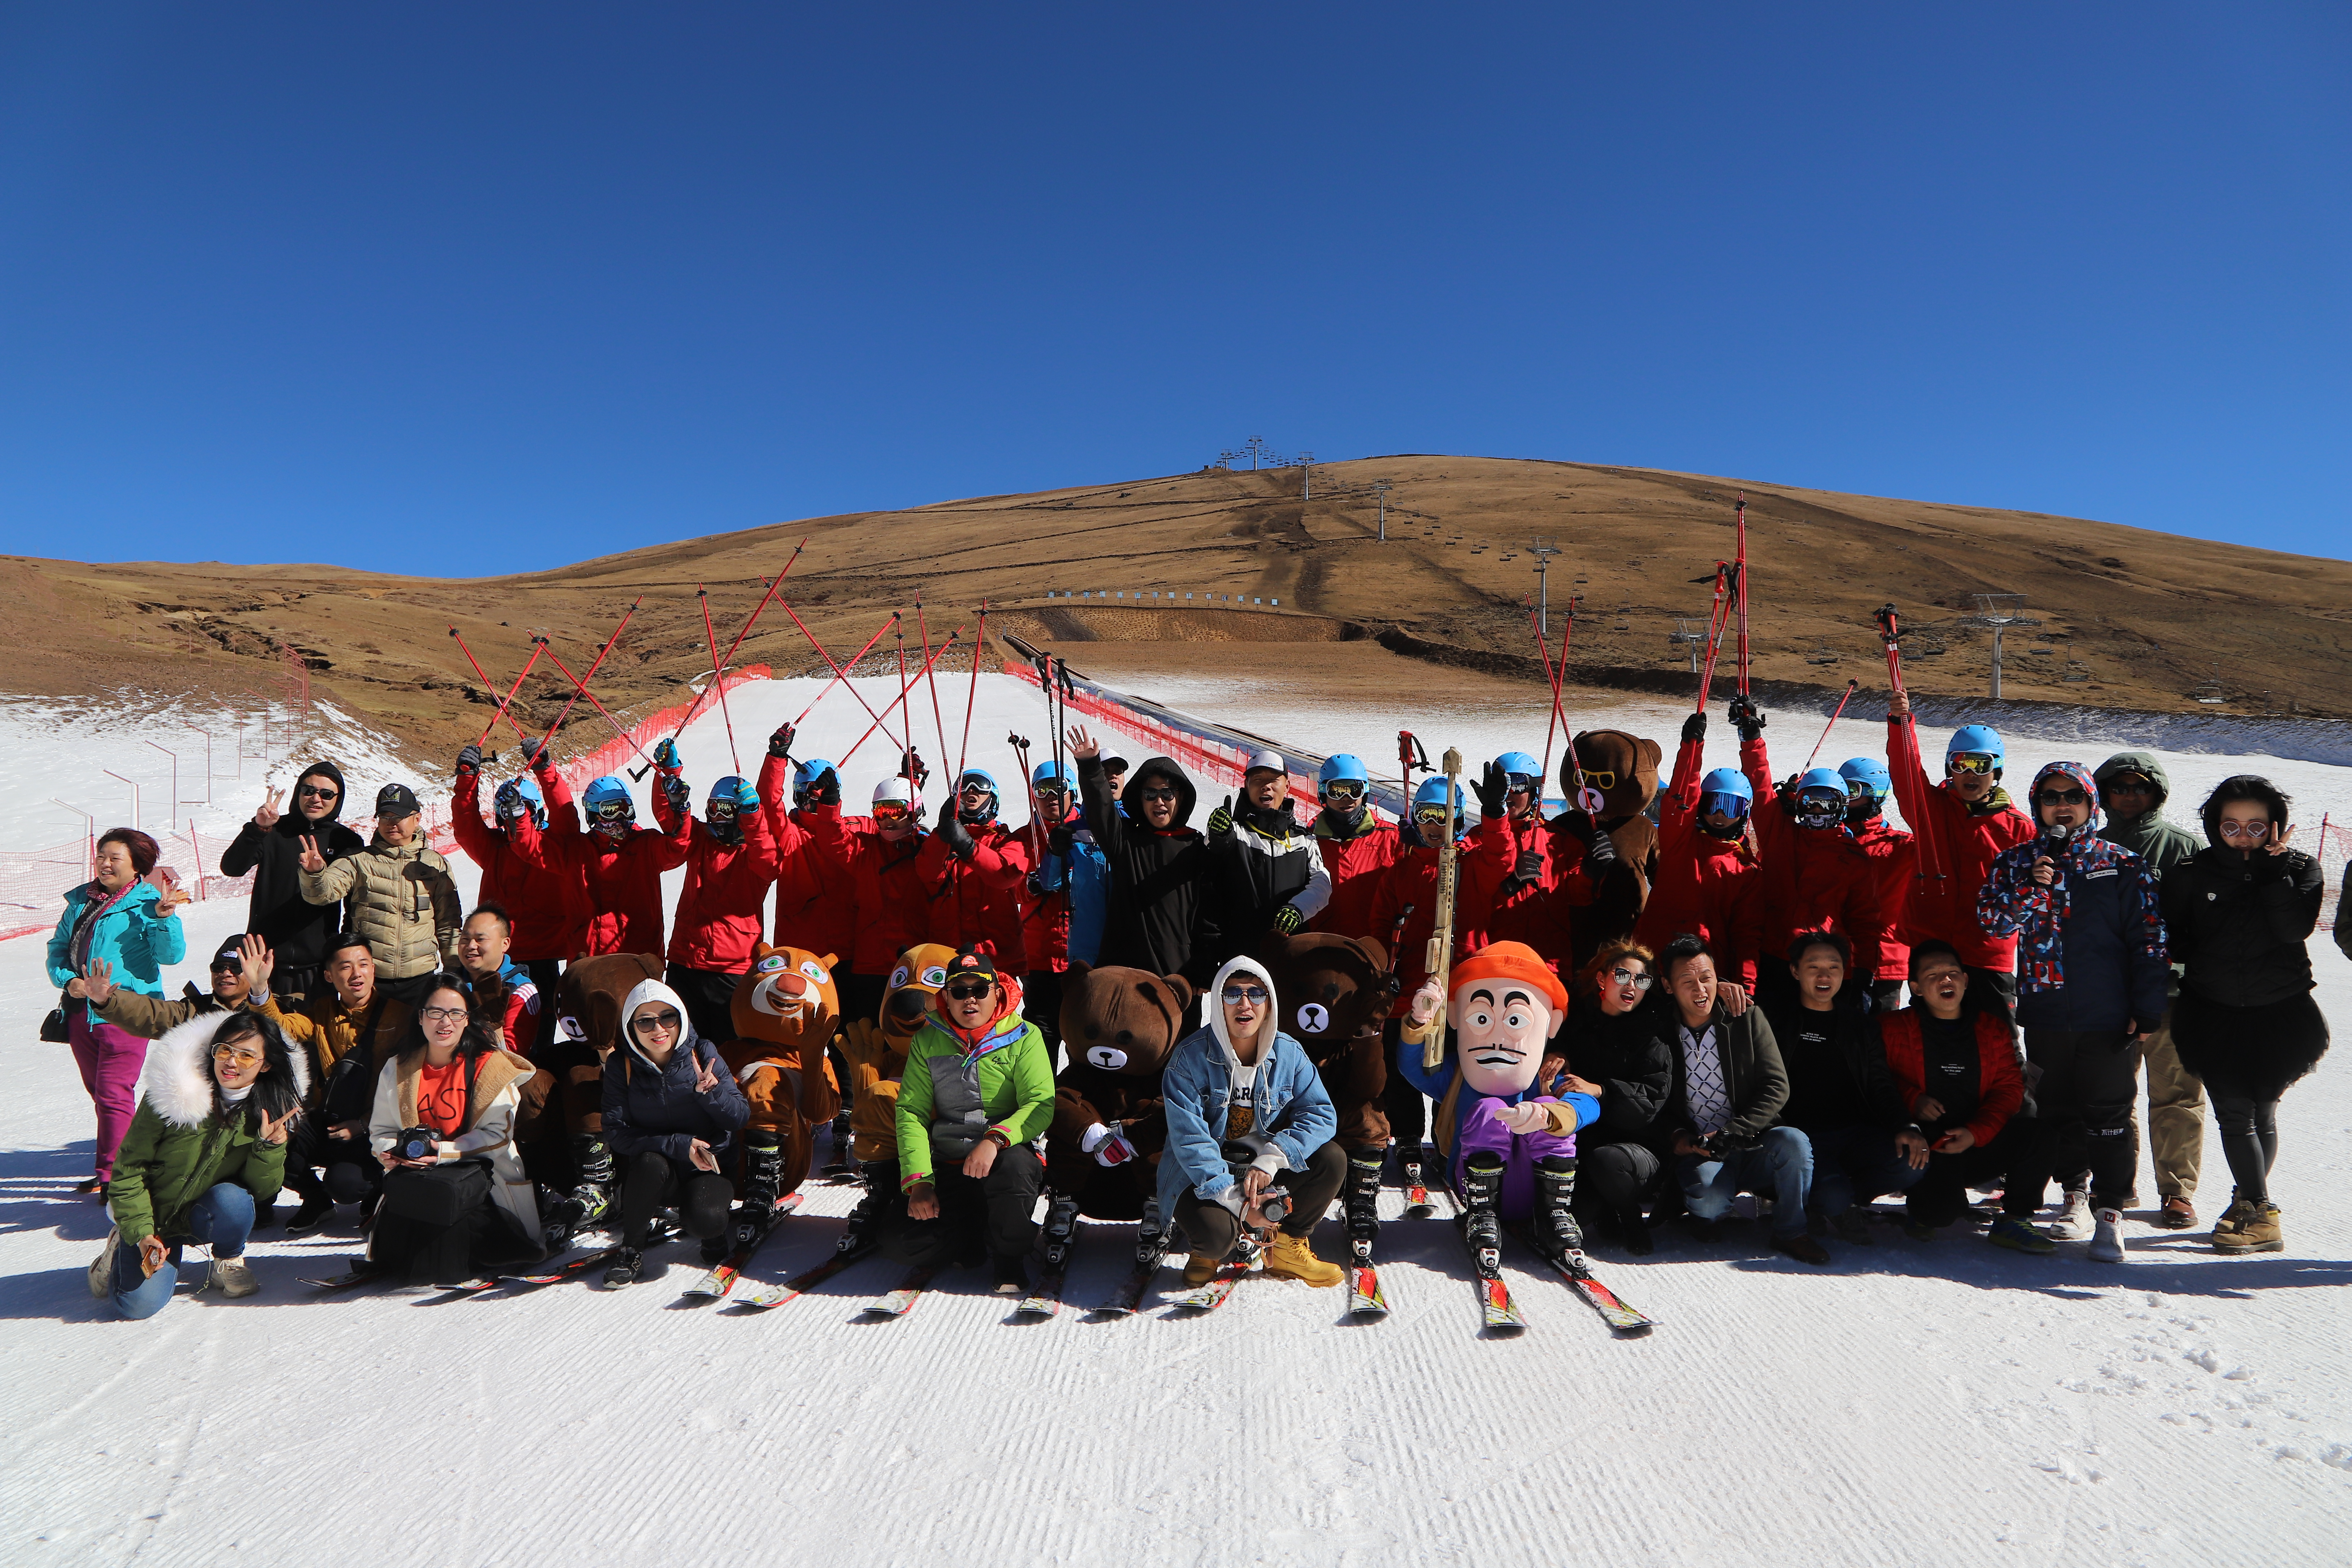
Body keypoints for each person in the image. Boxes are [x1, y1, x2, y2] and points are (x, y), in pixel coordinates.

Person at [1977, 762, 2168, 1262]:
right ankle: (2074, 1195)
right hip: (2045, 1013)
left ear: (2090, 804)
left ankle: (2111, 1213)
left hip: (2107, 1015)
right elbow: (1993, 924)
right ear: (2037, 805)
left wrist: (2148, 1007)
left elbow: (2150, 940)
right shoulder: (2017, 861)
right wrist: (2029, 886)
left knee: (2108, 1115)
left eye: (2073, 797)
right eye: (2051, 797)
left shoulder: (2121, 863)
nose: (2062, 806)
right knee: (2056, 1111)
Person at [2161, 776, 2329, 1255]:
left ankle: (2249, 1204)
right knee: (2236, 1114)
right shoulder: (2191, 872)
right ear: (2214, 826)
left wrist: (2272, 875)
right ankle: (2258, 1208)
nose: (2243, 837)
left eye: (2257, 827)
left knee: (2262, 1112)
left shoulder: (2301, 867)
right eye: (2231, 826)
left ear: (2276, 825)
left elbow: (2293, 929)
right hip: (2213, 1012)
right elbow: (2177, 937)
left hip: (2281, 1011)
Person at [90, 1011, 303, 1319]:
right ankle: (120, 1243)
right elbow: (128, 1170)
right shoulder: (173, 1095)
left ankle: (227, 1260)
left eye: (246, 1056)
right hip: (154, 1218)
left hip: (203, 1215)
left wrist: (268, 1148)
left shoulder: (269, 1111)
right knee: (136, 1306)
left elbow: (262, 1192)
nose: (232, 1062)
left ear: (266, 1064)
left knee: (234, 1201)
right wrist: (142, 1232)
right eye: (225, 1050)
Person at [1397, 942, 1596, 1261]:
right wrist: (1420, 1022)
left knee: (1551, 1108)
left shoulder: (1545, 1077)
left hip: (1535, 1187)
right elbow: (1414, 1068)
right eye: (1481, 1019)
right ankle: (1482, 1214)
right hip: (1474, 1184)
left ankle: (1553, 1213)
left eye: (1516, 1021)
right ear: (1457, 1018)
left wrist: (1550, 1115)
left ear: (1552, 1024)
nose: (1499, 1038)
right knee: (1490, 1111)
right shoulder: (1459, 1078)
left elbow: (1586, 1104)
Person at [1158, 955, 1346, 1288]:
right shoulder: (1188, 1059)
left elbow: (1321, 1114)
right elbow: (1190, 1141)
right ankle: (1207, 1250)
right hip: (1206, 1172)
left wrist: (1272, 1160)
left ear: (1269, 1003)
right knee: (1217, 1238)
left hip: (1261, 1167)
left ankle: (1287, 1247)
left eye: (1256, 994)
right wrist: (1239, 1205)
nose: (1245, 1003)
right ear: (1218, 1002)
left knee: (1331, 1159)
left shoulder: (1289, 1053)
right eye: (1233, 994)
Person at [1651, 934, 1827, 1264]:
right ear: (1668, 986)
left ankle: (1791, 1232)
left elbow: (1777, 1085)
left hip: (1752, 1140)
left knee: (1794, 1142)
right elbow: (1653, 1096)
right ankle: (1705, 1214)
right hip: (1702, 1150)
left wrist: (1734, 1131)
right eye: (1687, 982)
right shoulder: (1660, 1029)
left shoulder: (1744, 1015)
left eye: (1707, 979)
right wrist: (1679, 1137)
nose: (1700, 990)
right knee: (1710, 1203)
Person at [888, 948, 1056, 1292]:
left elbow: (1040, 1104)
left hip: (1004, 1157)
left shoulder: (1025, 1036)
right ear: (946, 998)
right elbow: (911, 1113)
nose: (970, 999)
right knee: (899, 1243)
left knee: (1015, 1170)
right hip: (949, 1161)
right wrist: (920, 1183)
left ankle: (1010, 1256)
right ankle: (971, 1234)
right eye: (959, 991)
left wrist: (995, 1140)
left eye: (980, 990)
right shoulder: (926, 1040)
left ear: (997, 993)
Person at [2092, 751, 2208, 1229]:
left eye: (2139, 787)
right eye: (2119, 787)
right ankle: (2118, 1181)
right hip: (2107, 995)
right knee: (2110, 1096)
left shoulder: (2183, 847)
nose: (2129, 795)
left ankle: (2177, 1190)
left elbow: (2207, 922)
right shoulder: (2090, 846)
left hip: (2170, 993)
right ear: (2104, 793)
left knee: (2177, 1095)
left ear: (2156, 792)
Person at [364, 975, 543, 1284]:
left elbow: (498, 1135)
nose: (445, 1022)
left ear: (467, 1019)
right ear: (421, 1017)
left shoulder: (490, 1067)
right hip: (422, 1181)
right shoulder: (398, 1067)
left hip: (482, 1182)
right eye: (435, 1012)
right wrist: (391, 1152)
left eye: (455, 1013)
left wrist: (444, 1153)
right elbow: (381, 1130)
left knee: (445, 1241)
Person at [1879, 939, 2053, 1251]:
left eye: (1953, 973)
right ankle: (1923, 1206)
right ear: (1916, 988)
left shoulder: (1992, 1028)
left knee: (2040, 1133)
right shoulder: (1892, 1028)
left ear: (1966, 980)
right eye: (1933, 975)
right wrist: (1913, 1099)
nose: (1946, 980)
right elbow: (1875, 1081)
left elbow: (2009, 1089)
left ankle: (2015, 1219)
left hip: (1975, 1139)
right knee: (1939, 1215)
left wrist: (1976, 1132)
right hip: (1924, 1145)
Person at [48, 827, 189, 1196]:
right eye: (101, 856)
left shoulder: (149, 902)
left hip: (128, 1012)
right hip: (81, 1012)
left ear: (137, 865)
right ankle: (127, 1161)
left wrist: (164, 918)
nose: (105, 864)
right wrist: (69, 981)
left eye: (115, 858)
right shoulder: (81, 901)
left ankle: (116, 1175)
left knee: (113, 1092)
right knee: (101, 1093)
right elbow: (58, 949)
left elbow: (171, 956)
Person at [1757, 930, 1923, 1243]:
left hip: (1850, 1134)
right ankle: (1816, 1199)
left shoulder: (1860, 1026)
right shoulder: (1772, 1018)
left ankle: (1842, 1199)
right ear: (1795, 971)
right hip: (1798, 1139)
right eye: (1814, 967)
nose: (1825, 976)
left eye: (1833, 967)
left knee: (1911, 1163)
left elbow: (1880, 1085)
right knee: (1831, 1196)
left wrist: (1905, 1125)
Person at [251, 934, 415, 1230]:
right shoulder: (323, 1011)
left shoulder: (401, 1016)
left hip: (378, 1125)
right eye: (345, 967)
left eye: (363, 964)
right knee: (274, 1140)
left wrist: (364, 1124)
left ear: (374, 968)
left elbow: (409, 1085)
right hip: (330, 1119)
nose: (356, 974)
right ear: (329, 975)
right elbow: (283, 1029)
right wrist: (260, 989)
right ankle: (316, 1201)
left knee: (346, 1184)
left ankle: (378, 1194)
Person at [1733, 698, 1888, 1007]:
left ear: (1842, 808)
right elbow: (1760, 787)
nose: (1817, 812)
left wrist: (1864, 972)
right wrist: (1751, 739)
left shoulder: (1854, 858)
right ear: (1798, 804)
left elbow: (1864, 922)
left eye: (1827, 804)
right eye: (1810, 803)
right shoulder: (1782, 835)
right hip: (1775, 956)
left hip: (1823, 965)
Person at [599, 978, 752, 1284]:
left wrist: (712, 1094)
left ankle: (708, 1228)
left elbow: (740, 1118)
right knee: (648, 1162)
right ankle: (631, 1250)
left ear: (681, 1018)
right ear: (631, 1028)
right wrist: (680, 1145)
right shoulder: (622, 1064)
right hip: (657, 1174)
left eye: (668, 1018)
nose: (659, 1029)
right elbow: (616, 1133)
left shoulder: (702, 1052)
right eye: (645, 1022)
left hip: (708, 1169)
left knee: (706, 1221)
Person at [1884, 697, 2035, 998]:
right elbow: (1907, 774)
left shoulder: (2019, 829)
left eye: (1981, 765)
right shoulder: (1931, 811)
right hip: (1932, 946)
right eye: (1960, 763)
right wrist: (1901, 725)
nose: (1970, 773)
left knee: (1995, 1028)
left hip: (1987, 954)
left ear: (1997, 770)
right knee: (1933, 1026)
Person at [1366, 773, 1474, 1166]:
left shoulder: (1469, 865)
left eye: (1442, 815)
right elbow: (1381, 924)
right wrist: (1385, 969)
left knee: (1453, 1062)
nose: (1433, 825)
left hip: (1458, 984)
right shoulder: (1402, 871)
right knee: (1403, 1063)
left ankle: (1449, 1136)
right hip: (1410, 984)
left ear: (1457, 818)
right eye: (1425, 815)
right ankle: (1408, 1135)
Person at [655, 743, 793, 1044]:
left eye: (726, 810)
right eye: (713, 809)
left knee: (728, 1047)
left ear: (741, 813)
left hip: (731, 967)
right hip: (685, 961)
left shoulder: (754, 851)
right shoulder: (702, 840)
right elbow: (671, 821)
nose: (718, 817)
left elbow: (769, 865)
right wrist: (669, 776)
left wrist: (754, 817)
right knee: (679, 1044)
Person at [451, 740, 585, 1046]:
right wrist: (467, 779)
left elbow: (566, 817)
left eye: (522, 811)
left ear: (537, 813)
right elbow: (466, 826)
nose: (514, 819)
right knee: (493, 1032)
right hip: (497, 958)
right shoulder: (495, 848)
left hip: (543, 955)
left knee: (537, 1036)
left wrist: (545, 769)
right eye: (506, 813)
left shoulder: (554, 847)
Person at [1070, 726, 1219, 985]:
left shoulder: (1195, 846)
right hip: (1124, 975)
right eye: (1151, 794)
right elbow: (1101, 809)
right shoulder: (1125, 840)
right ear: (1140, 799)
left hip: (1178, 976)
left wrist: (1204, 969)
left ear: (1180, 796)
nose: (1159, 801)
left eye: (1167, 793)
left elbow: (1208, 914)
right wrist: (1090, 767)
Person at [507, 754, 690, 958]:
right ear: (594, 814)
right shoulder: (577, 851)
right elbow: (531, 847)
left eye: (625, 809)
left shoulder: (646, 845)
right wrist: (518, 816)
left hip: (638, 957)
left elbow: (678, 848)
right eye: (611, 810)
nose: (620, 817)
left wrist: (680, 810)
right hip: (589, 958)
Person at [297, 783, 463, 1007]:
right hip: (370, 982)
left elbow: (448, 923)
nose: (391, 823)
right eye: (384, 817)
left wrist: (453, 972)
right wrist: (314, 874)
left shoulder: (435, 864)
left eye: (398, 817)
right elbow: (320, 895)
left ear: (417, 818)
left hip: (421, 980)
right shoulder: (358, 860)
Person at [1559, 941, 1674, 1254]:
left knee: (1607, 1161)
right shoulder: (1579, 1023)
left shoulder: (1652, 1037)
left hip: (1637, 1150)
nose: (1632, 986)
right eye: (1622, 976)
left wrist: (1601, 1091)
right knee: (1578, 1212)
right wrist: (1557, 1054)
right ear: (1602, 979)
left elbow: (1647, 1106)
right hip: (1586, 1144)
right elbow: (1556, 1044)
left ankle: (1631, 1218)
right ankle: (1604, 1207)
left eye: (1642, 980)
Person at [1462, 753, 1621, 976]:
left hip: (1548, 965)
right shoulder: (1478, 839)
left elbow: (1578, 897)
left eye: (1518, 785)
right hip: (1497, 963)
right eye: (1501, 786)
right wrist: (1512, 883)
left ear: (1535, 790)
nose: (1508, 793)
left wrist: (1592, 870)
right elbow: (1469, 903)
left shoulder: (1558, 840)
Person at [1637, 711, 1764, 992]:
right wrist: (1691, 747)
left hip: (1705, 975)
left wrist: (1746, 987)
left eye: (1730, 807)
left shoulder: (1747, 869)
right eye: (1712, 805)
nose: (1719, 815)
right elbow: (1681, 798)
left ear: (1744, 812)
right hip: (1655, 963)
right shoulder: (1682, 842)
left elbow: (1747, 934)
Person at [219, 761, 363, 1000]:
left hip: (318, 965)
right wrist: (257, 830)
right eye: (309, 790)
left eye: (327, 794)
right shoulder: (274, 831)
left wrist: (341, 949)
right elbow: (232, 868)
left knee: (313, 1025)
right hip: (265, 962)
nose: (316, 799)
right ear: (298, 793)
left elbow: (354, 903)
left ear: (338, 799)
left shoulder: (346, 840)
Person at [1203, 747, 1332, 963]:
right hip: (1240, 956)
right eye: (1258, 780)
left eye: (1274, 780)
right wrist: (1218, 835)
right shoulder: (1236, 833)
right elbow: (1211, 853)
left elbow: (1322, 885)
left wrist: (1298, 909)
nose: (1266, 786)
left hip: (1291, 956)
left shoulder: (1304, 840)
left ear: (1287, 786)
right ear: (1247, 785)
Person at [924, 767, 1034, 972]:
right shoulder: (942, 842)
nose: (971, 790)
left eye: (981, 786)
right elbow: (928, 873)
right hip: (948, 956)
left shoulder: (1008, 841)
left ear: (993, 798)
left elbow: (1005, 876)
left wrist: (968, 847)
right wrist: (942, 833)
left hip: (997, 956)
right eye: (964, 787)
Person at [1017, 759, 1085, 1050]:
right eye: (1042, 790)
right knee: (1041, 1036)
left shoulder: (1089, 832)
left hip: (1083, 952)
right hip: (1040, 956)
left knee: (1084, 1034)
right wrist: (1029, 886)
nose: (1051, 797)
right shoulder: (1025, 837)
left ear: (1073, 791)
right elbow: (1008, 884)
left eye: (1058, 788)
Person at [1838, 756, 1914, 1014]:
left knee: (1882, 1036)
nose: (1844, 798)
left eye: (1852, 791)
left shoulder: (1901, 847)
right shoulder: (1830, 839)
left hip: (1884, 965)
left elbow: (1938, 835)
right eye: (1840, 790)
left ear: (1875, 795)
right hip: (1834, 962)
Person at [1308, 752, 1397, 940]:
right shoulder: (1309, 840)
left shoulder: (1391, 839)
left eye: (1354, 790)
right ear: (1323, 793)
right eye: (1337, 791)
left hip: (1374, 948)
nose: (1346, 798)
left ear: (1365, 793)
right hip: (1323, 947)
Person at [451, 903, 542, 1052]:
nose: (471, 946)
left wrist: (494, 1025)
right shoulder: (448, 985)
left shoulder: (520, 991)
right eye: (465, 939)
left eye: (481, 939)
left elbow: (513, 1056)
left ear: (505, 944)